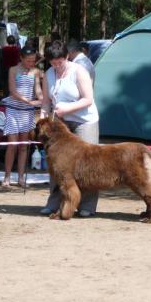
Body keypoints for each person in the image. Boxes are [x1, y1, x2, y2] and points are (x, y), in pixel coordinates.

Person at [39, 40, 100, 217]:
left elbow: (88, 99)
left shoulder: (79, 71)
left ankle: (87, 206)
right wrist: (43, 119)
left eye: (60, 61)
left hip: (84, 121)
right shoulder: (48, 74)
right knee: (57, 165)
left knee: (88, 164)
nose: (57, 65)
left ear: (67, 56)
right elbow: (45, 102)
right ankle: (54, 203)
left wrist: (67, 109)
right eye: (53, 62)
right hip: (60, 124)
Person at [1, 46, 43, 188]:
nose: (31, 64)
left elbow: (37, 90)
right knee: (12, 144)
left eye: (33, 61)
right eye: (28, 61)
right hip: (13, 109)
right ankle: (7, 176)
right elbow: (12, 91)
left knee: (24, 146)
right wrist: (28, 100)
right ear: (21, 58)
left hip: (27, 112)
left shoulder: (35, 72)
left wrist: (41, 99)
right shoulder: (13, 70)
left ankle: (20, 177)